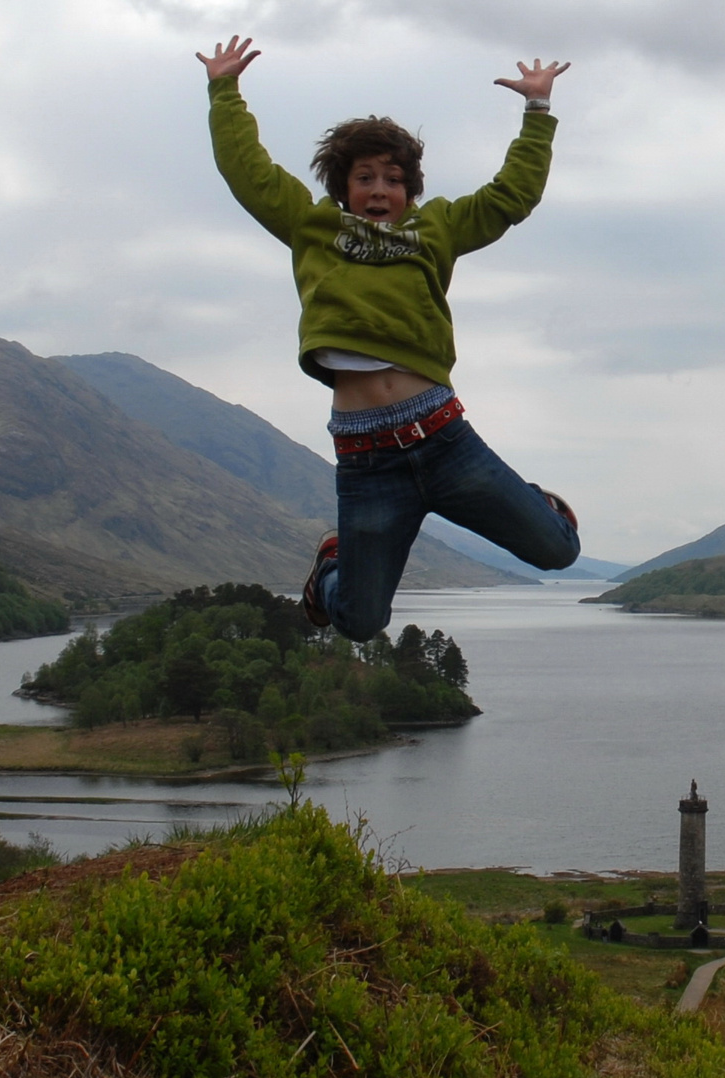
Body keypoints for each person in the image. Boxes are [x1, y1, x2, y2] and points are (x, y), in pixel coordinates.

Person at [197, 36, 581, 641]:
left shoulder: (437, 230)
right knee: (358, 621)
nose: (380, 190)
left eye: (395, 179)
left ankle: (538, 506)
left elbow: (511, 197)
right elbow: (249, 174)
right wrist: (225, 91)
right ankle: (331, 569)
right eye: (366, 177)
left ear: (411, 190)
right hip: (366, 459)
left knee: (561, 553)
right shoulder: (312, 228)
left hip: (443, 438)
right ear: (343, 187)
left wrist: (537, 113)